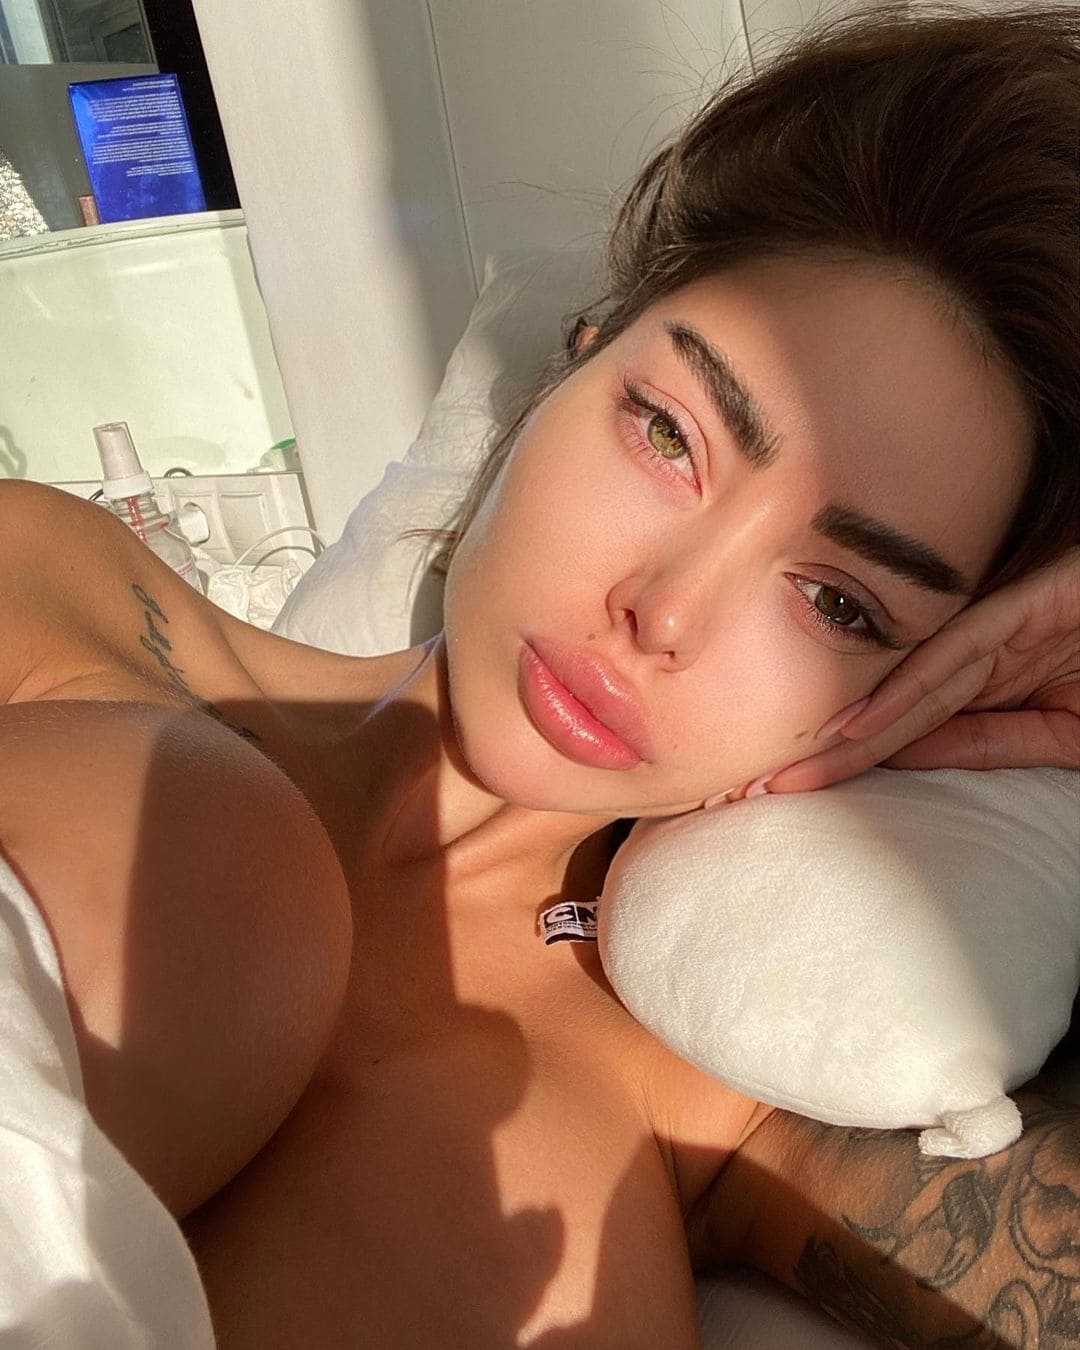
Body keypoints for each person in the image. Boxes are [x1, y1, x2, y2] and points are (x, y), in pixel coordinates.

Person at [1, 5, 1077, 1347]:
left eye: (837, 602)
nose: (662, 610)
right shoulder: (54, 592)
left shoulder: (719, 1092)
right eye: (668, 435)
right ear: (579, 354)